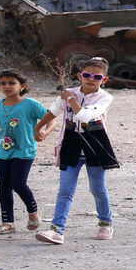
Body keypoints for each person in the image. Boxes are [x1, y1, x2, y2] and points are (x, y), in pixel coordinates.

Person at [34, 57, 119, 244]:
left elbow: (86, 116)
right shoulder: (68, 93)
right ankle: (57, 230)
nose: (91, 79)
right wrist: (38, 126)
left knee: (97, 188)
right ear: (80, 76)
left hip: (94, 144)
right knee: (65, 189)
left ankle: (105, 223)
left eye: (96, 77)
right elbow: (54, 110)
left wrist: (71, 99)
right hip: (71, 144)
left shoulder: (105, 97)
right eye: (87, 75)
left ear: (104, 80)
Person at [0, 69, 48, 235]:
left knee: (18, 183)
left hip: (24, 150)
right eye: (3, 83)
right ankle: (8, 222)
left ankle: (33, 212)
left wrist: (44, 132)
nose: (7, 86)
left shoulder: (30, 104)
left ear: (22, 86)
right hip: (2, 151)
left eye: (12, 83)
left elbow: (51, 117)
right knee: (4, 186)